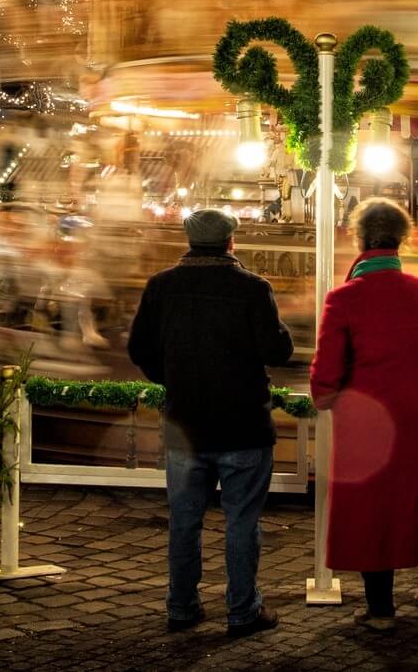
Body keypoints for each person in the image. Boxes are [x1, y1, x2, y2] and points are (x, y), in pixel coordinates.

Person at [128, 208, 293, 638]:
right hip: (243, 423)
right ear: (230, 242)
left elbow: (139, 348)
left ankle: (182, 606)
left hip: (186, 424)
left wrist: (172, 378)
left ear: (189, 242)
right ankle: (243, 610)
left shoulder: (161, 287)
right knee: (242, 521)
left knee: (184, 521)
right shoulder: (253, 288)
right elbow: (277, 351)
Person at [310, 197, 418, 633]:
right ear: (402, 240)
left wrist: (326, 398)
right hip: (413, 414)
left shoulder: (343, 299)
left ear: (358, 239)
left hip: (363, 419)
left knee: (371, 507)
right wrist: (417, 381)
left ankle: (381, 609)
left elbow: (327, 371)